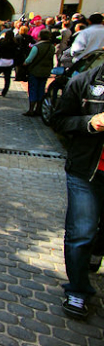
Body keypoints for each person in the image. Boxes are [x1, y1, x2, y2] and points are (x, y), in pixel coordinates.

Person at [50, 62, 104, 319]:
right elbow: (58, 120)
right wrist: (89, 123)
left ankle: (96, 252)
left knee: (94, 233)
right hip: (87, 171)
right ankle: (78, 290)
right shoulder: (85, 81)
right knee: (82, 231)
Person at [22, 29, 55, 116]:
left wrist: (24, 63)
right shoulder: (52, 47)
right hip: (46, 71)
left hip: (35, 70)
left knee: (33, 89)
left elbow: (29, 60)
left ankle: (31, 109)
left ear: (39, 37)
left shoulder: (37, 47)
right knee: (41, 89)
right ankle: (39, 109)